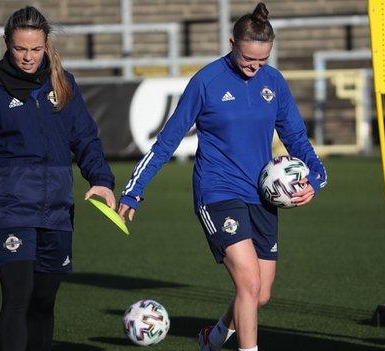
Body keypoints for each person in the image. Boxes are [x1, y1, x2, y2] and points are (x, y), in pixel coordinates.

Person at [117, 3, 326, 351]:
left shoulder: (273, 82)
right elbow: (167, 141)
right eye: (247, 59)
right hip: (217, 192)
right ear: (232, 43)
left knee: (260, 295)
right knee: (248, 283)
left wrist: (315, 182)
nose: (254, 68)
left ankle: (211, 339)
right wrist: (133, 190)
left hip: (262, 194)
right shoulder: (206, 82)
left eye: (262, 61)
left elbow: (297, 139)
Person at [0, 6, 115, 351]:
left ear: (46, 45)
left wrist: (101, 179)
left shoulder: (63, 83)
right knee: (18, 296)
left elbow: (84, 138)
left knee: (43, 301)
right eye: (20, 49)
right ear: (7, 44)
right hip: (11, 209)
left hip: (57, 210)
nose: (28, 57)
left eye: (36, 49)